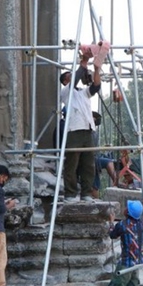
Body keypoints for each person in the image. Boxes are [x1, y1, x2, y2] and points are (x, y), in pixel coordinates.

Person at [59, 48, 102, 203]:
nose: (73, 77)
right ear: (65, 81)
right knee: (72, 163)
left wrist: (96, 69)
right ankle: (70, 193)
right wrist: (83, 62)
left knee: (88, 164)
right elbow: (76, 77)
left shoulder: (83, 93)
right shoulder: (65, 92)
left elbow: (96, 86)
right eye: (69, 76)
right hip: (74, 130)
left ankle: (86, 193)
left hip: (88, 128)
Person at [108, 200, 143, 286]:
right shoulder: (142, 223)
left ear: (128, 212)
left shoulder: (122, 225)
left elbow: (112, 235)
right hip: (136, 264)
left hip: (125, 263)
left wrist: (111, 222)